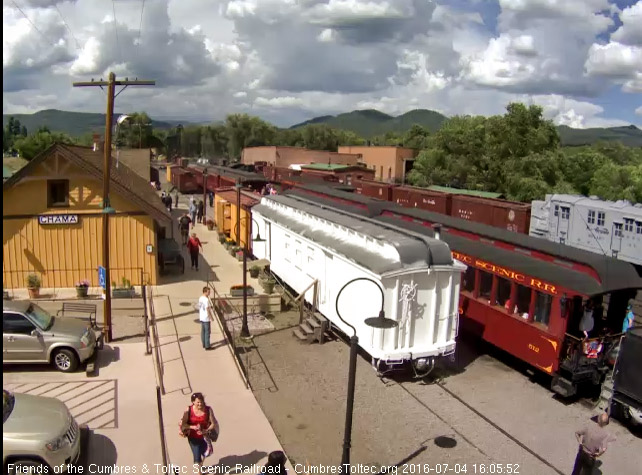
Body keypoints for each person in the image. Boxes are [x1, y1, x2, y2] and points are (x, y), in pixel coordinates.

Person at [179, 392, 219, 467]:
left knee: (206, 453)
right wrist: (192, 427)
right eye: (198, 402)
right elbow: (184, 424)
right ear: (193, 402)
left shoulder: (208, 409)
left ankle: (200, 465)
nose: (200, 404)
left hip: (204, 437)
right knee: (197, 457)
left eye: (201, 402)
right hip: (193, 437)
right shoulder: (189, 409)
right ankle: (198, 469)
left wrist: (205, 431)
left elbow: (213, 424)